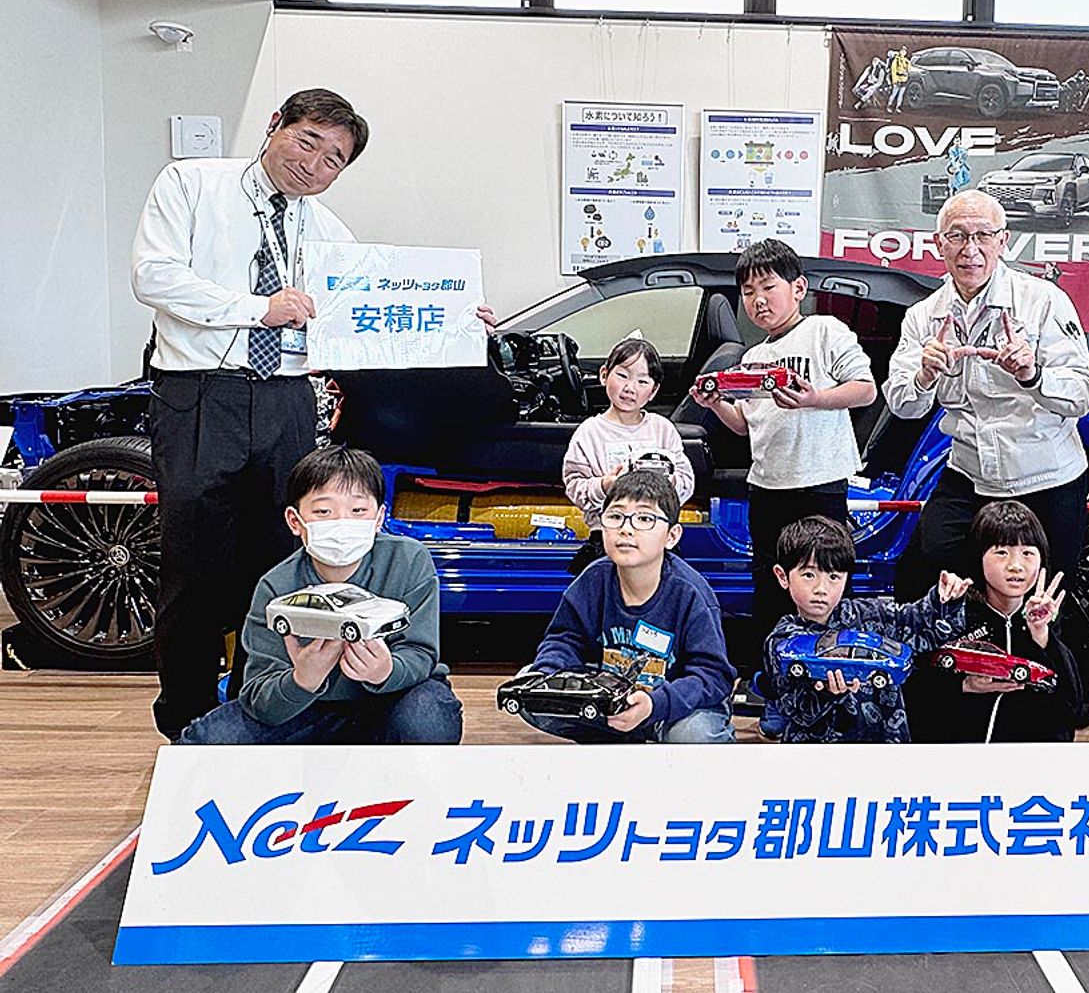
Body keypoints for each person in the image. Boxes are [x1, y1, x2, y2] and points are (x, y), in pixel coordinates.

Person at [132, 88, 369, 741]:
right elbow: (153, 276)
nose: (314, 164)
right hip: (200, 394)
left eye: (334, 159)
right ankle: (185, 718)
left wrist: (456, 323)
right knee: (194, 563)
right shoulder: (191, 184)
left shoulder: (329, 231)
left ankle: (252, 713)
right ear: (274, 125)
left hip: (287, 398)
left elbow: (368, 313)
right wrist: (256, 309)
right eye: (307, 141)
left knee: (279, 565)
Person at [883, 190, 1089, 620]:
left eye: (983, 235)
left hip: (1046, 475)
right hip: (970, 474)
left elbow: (1084, 393)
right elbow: (903, 405)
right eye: (958, 236)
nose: (971, 249)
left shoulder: (1043, 300)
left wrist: (1033, 374)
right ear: (939, 243)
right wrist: (924, 375)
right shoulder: (923, 316)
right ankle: (956, 660)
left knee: (1045, 606)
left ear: (1004, 241)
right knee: (920, 576)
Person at [691, 239, 876, 736]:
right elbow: (745, 425)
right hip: (767, 487)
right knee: (771, 592)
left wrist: (814, 398)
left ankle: (831, 690)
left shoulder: (825, 330)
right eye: (748, 292)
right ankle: (777, 690)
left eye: (768, 287)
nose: (758, 300)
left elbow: (865, 390)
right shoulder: (752, 357)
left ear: (798, 288)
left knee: (825, 590)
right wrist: (715, 403)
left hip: (820, 485)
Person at [180, 445, 463, 745]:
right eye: (323, 511)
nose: (342, 522)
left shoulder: (408, 560)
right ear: (295, 521)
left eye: (358, 510)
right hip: (306, 709)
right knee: (209, 738)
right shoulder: (276, 587)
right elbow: (259, 695)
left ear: (379, 517)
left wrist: (386, 671)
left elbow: (421, 653)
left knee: (428, 719)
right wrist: (301, 680)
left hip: (392, 699)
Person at [518, 470, 736, 744]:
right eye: (615, 516)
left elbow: (713, 676)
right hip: (609, 700)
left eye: (644, 518)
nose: (626, 529)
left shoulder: (691, 594)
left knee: (696, 735)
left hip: (671, 709)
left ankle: (646, 733)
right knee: (529, 685)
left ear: (672, 536)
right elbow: (564, 640)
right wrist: (547, 674)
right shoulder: (593, 579)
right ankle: (619, 734)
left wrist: (655, 705)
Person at [760, 516, 970, 744]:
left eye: (833, 576)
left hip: (884, 749)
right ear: (783, 576)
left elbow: (920, 623)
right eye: (809, 575)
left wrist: (945, 599)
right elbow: (797, 710)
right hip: (815, 757)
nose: (821, 588)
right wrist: (826, 692)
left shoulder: (869, 614)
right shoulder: (782, 641)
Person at [946, 501, 1089, 743]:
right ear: (978, 556)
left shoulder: (1058, 621)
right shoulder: (954, 616)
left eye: (1027, 553)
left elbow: (1080, 712)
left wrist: (1041, 637)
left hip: (1037, 759)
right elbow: (919, 699)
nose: (1015, 566)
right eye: (1001, 552)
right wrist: (964, 687)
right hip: (965, 757)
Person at [562, 337, 693, 574]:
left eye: (642, 381)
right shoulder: (589, 432)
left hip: (655, 537)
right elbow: (574, 485)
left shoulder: (662, 429)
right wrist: (605, 485)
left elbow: (687, 481)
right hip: (607, 537)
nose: (630, 388)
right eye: (622, 375)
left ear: (653, 391)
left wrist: (669, 483)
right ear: (604, 375)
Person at [887, 47, 911, 113]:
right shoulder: (896, 60)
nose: (903, 53)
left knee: (901, 95)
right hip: (897, 79)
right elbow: (893, 71)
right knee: (894, 93)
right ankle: (889, 105)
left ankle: (898, 106)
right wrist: (894, 80)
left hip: (904, 79)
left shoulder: (906, 61)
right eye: (902, 51)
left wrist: (907, 72)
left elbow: (909, 70)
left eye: (904, 51)